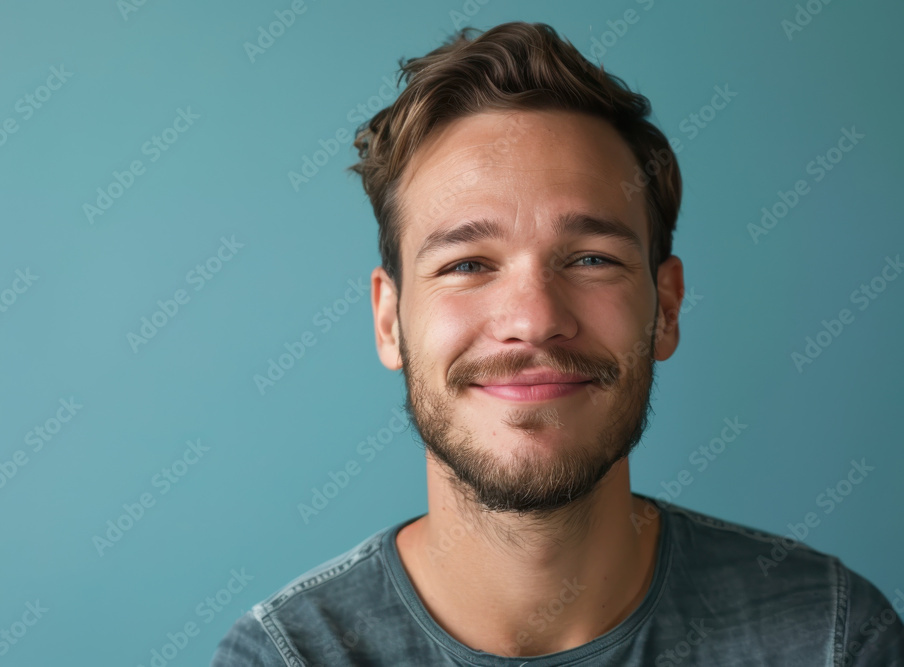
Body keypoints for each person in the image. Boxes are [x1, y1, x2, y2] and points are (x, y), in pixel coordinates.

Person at [212, 21, 904, 666]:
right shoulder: (287, 656)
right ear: (389, 320)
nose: (534, 318)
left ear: (665, 308)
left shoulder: (829, 636)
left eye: (591, 259)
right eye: (467, 264)